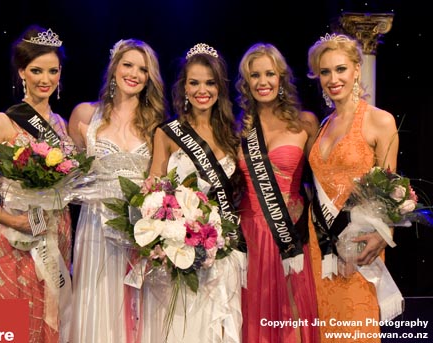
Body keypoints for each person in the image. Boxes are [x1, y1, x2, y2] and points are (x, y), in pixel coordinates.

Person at [141, 43, 247, 343]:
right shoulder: (167, 133)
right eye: (195, 82)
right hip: (179, 252)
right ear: (184, 87)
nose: (203, 90)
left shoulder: (232, 135)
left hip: (220, 254)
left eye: (210, 82)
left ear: (220, 87)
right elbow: (152, 193)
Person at [0, 25, 73, 342]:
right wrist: (15, 220)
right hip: (14, 237)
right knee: (6, 327)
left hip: (55, 233)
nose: (45, 79)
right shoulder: (0, 122)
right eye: (36, 70)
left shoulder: (62, 125)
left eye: (53, 71)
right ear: (21, 73)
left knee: (52, 319)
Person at [67, 39, 166, 343]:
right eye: (128, 65)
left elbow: (159, 181)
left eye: (143, 69)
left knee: (139, 308)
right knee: (96, 301)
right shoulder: (86, 116)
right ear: (114, 68)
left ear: (150, 78)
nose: (134, 73)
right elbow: (68, 176)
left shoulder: (156, 125)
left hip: (139, 230)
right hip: (96, 227)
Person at [306, 33, 400, 342]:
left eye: (341, 69)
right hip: (318, 245)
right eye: (325, 71)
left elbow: (391, 191)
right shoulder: (323, 125)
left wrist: (382, 236)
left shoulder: (379, 120)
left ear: (357, 69)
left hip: (357, 245)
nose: (333, 78)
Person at [235, 42, 320, 343]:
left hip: (290, 234)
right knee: (253, 319)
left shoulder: (305, 123)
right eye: (254, 76)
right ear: (246, 83)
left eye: (269, 74)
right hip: (251, 237)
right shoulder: (237, 130)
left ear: (281, 78)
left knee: (291, 319)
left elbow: (323, 177)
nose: (262, 82)